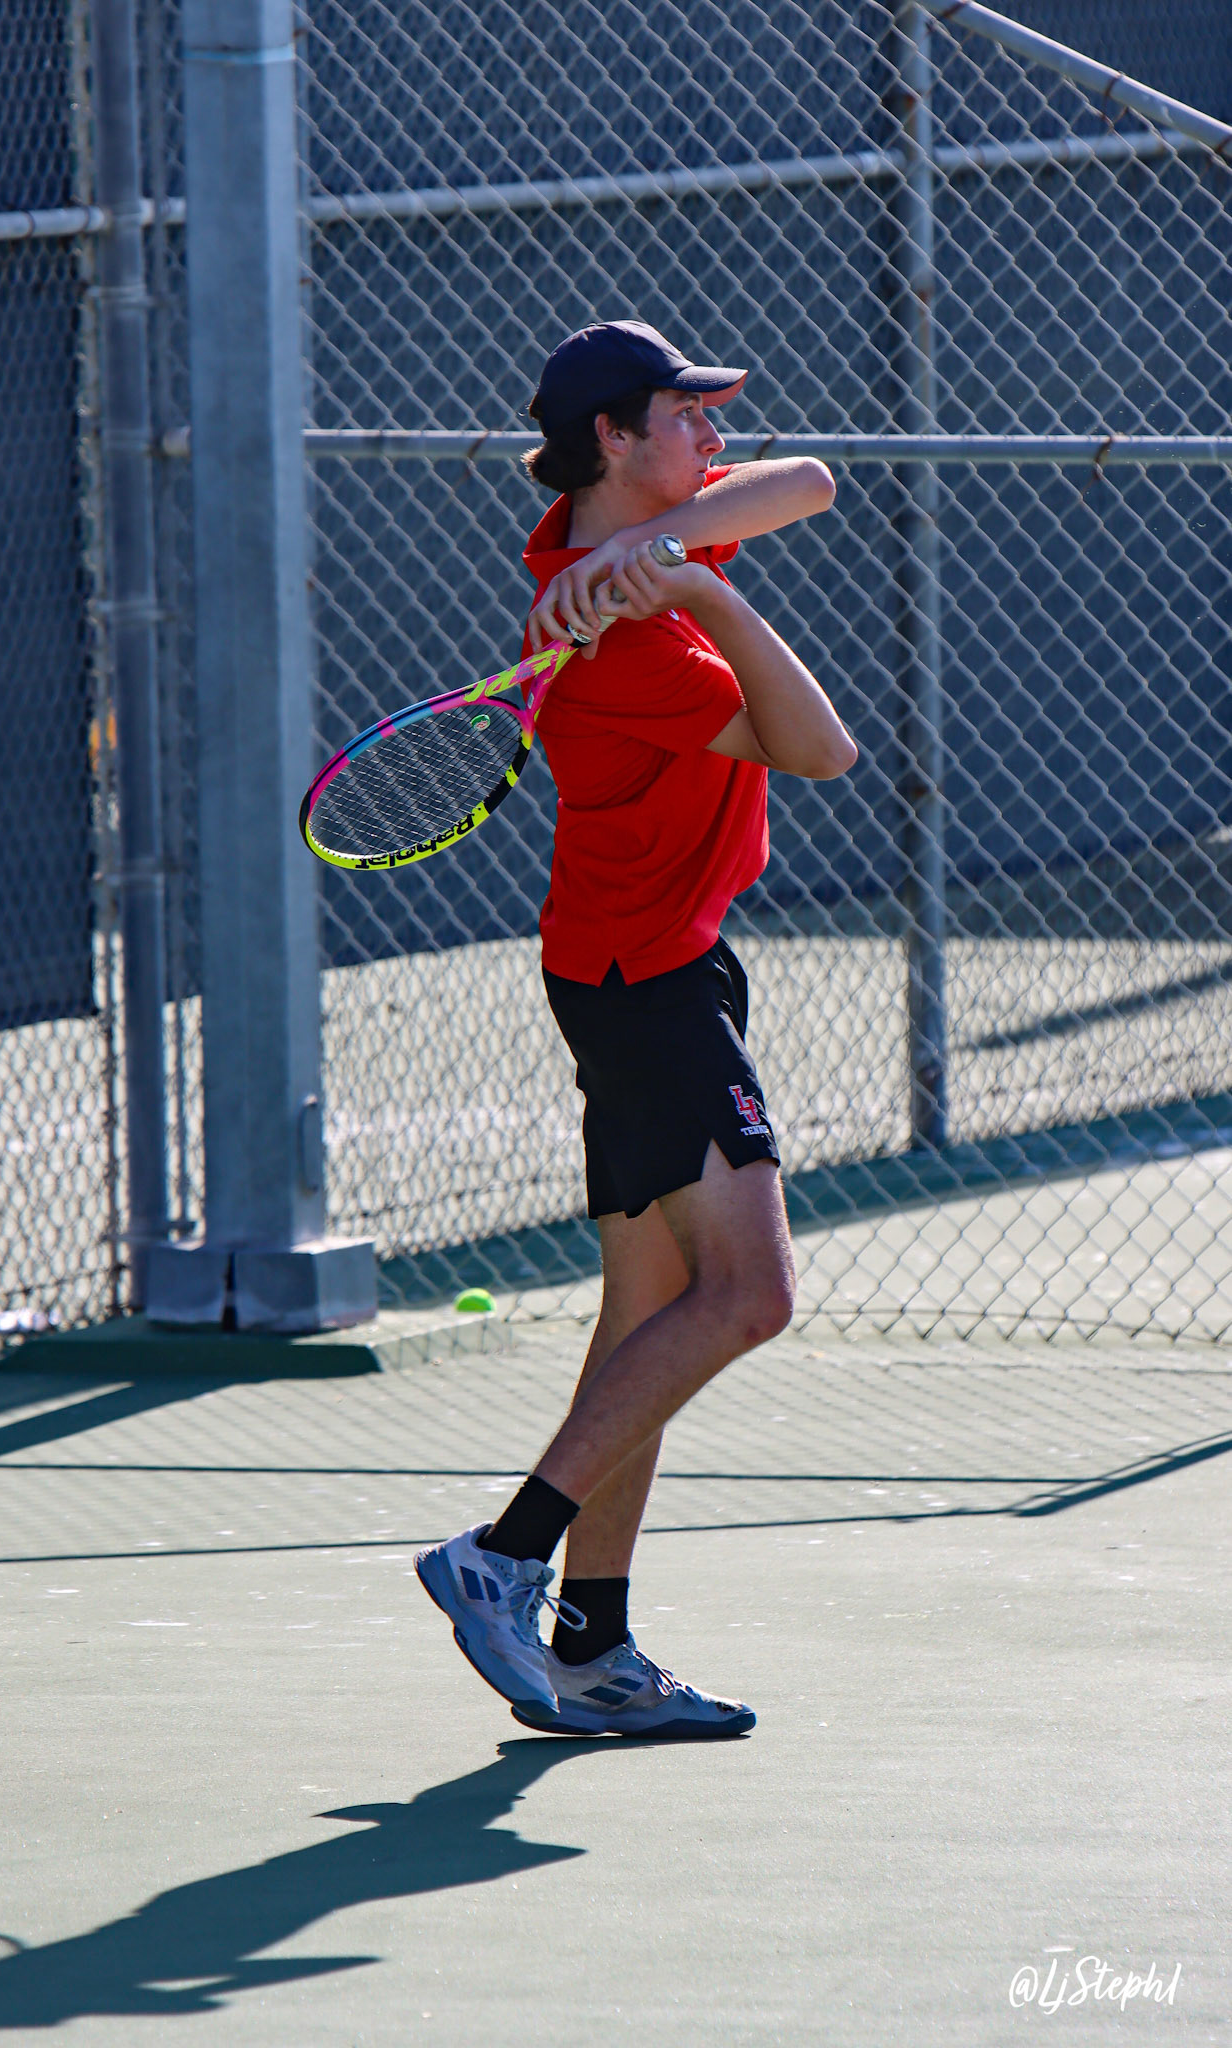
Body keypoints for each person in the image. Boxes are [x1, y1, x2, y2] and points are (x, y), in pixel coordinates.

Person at [416, 320, 856, 1738]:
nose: (713, 439)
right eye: (685, 417)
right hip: (648, 985)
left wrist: (659, 549)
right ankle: (502, 1557)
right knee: (748, 1298)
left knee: (644, 1317)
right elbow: (820, 749)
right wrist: (702, 590)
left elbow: (812, 479)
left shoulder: (617, 552)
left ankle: (593, 1645)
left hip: (637, 965)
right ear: (613, 438)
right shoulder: (621, 643)